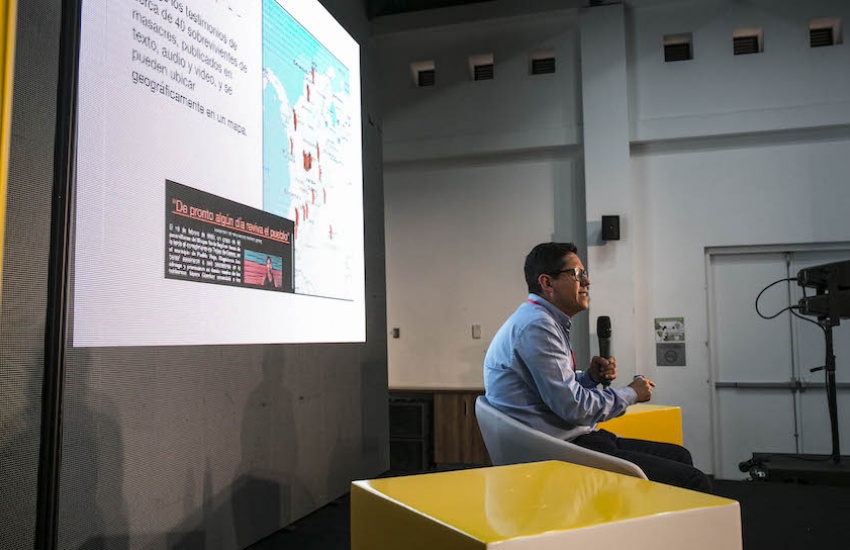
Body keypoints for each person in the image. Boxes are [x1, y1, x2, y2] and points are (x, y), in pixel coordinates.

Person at [484, 242, 711, 492]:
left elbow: (551, 393)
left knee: (680, 456)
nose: (588, 283)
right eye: (578, 275)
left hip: (570, 438)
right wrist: (632, 393)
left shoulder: (539, 320)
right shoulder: (538, 327)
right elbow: (574, 407)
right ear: (547, 283)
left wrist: (590, 378)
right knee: (694, 480)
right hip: (564, 448)